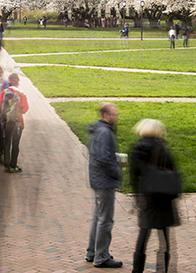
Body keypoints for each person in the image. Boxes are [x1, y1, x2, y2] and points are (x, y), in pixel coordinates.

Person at [129, 119, 180, 273]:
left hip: (146, 195)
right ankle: (163, 268)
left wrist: (137, 198)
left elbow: (133, 176)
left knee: (143, 233)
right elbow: (172, 169)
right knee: (164, 236)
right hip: (163, 196)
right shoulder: (161, 148)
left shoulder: (136, 148)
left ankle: (137, 269)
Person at [85, 103, 123, 268]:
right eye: (114, 114)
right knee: (105, 220)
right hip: (104, 180)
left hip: (99, 179)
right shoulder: (104, 132)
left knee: (99, 218)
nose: (116, 117)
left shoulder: (100, 130)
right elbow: (104, 159)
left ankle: (93, 252)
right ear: (105, 115)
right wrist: (117, 173)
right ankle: (101, 256)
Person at [0, 73, 28, 173]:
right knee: (15, 144)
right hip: (18, 122)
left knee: (7, 143)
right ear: (18, 81)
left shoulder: (4, 92)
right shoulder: (21, 93)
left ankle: (6, 165)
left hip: (7, 122)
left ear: (9, 81)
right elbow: (24, 109)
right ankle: (13, 166)